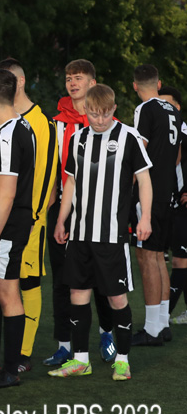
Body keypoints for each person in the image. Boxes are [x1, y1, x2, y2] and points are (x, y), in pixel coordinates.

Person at [50, 84, 151, 381]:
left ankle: (122, 359)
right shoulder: (78, 138)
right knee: (77, 293)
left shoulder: (128, 136)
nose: (100, 120)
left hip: (112, 235)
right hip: (80, 234)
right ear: (86, 111)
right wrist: (61, 220)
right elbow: (70, 182)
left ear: (114, 110)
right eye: (94, 114)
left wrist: (144, 218)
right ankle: (81, 359)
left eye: (106, 114)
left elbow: (144, 180)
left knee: (116, 298)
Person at [0, 59, 57, 374]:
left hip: (5, 227)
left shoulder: (9, 134)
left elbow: (7, 194)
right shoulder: (13, 128)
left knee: (8, 294)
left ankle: (10, 368)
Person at [131, 64, 180, 346]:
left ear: (135, 86)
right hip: (168, 191)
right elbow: (175, 157)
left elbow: (140, 150)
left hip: (149, 191)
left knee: (147, 257)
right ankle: (161, 323)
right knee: (158, 255)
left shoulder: (145, 109)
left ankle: (151, 330)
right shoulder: (173, 110)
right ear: (159, 84)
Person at [158, 85, 187, 324]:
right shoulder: (169, 131)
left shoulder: (183, 130)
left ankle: (163, 316)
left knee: (179, 260)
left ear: (177, 107)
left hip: (182, 205)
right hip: (173, 202)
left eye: (167, 104)